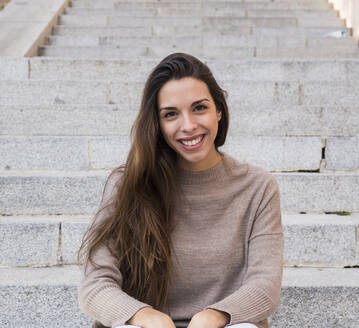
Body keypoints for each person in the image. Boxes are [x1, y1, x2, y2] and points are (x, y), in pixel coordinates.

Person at [77, 52, 284, 328]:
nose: (188, 126)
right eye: (171, 114)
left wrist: (214, 316)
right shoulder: (128, 184)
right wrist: (147, 317)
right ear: (158, 125)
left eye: (200, 108)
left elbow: (265, 286)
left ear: (219, 111)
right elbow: (94, 286)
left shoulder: (259, 187)